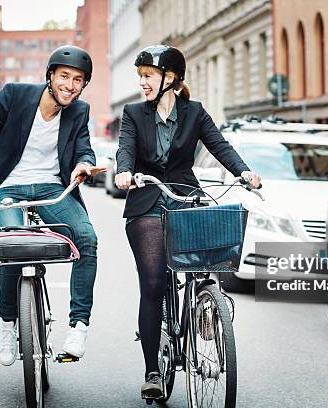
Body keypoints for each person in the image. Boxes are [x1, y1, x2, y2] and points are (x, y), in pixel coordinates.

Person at [115, 44, 261, 399]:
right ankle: (153, 370)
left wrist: (244, 172)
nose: (142, 83)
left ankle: (205, 309)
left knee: (205, 264)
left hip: (184, 195)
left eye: (147, 76)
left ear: (170, 78)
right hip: (147, 201)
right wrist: (124, 173)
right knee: (153, 283)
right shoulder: (134, 113)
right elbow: (125, 149)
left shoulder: (195, 113)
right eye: (141, 77)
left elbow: (219, 145)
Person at [0, 45, 98, 366]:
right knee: (12, 247)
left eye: (78, 80)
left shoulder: (79, 111)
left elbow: (84, 149)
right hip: (8, 184)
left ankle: (78, 325)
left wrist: (83, 165)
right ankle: (7, 322)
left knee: (86, 238)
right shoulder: (14, 96)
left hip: (51, 186)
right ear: (50, 76)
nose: (70, 85)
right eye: (64, 76)